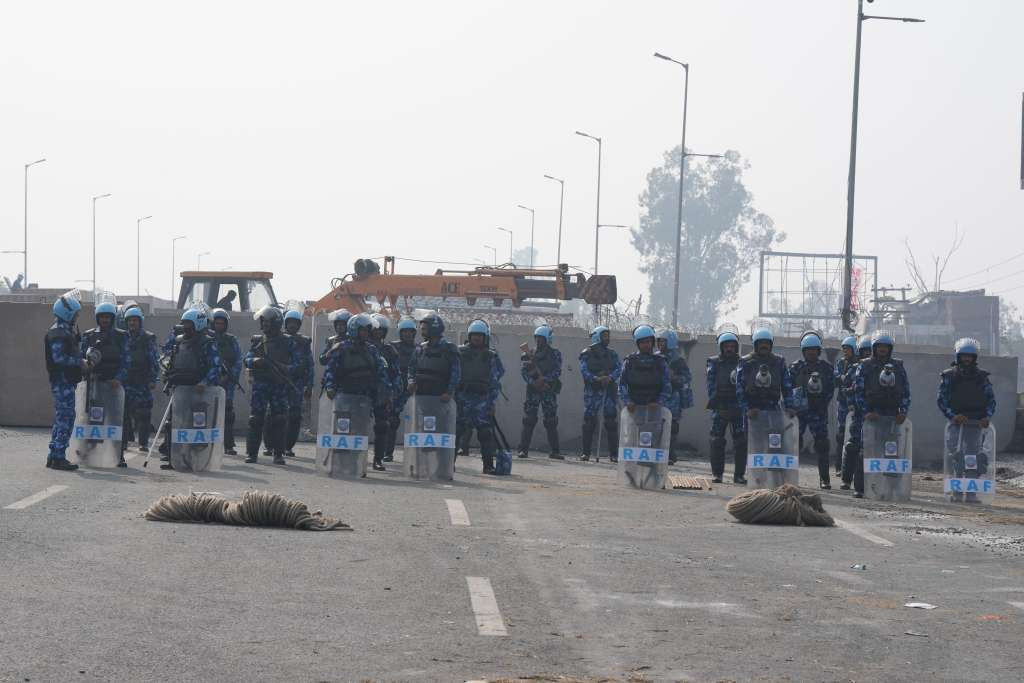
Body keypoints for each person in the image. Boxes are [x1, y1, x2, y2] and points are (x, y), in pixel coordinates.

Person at [322, 312, 391, 470]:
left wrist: (386, 393)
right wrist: (330, 387)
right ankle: (339, 461)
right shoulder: (341, 348)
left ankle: (366, 462)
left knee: (365, 429)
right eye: (363, 330)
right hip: (345, 394)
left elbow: (381, 372)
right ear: (354, 329)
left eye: (367, 330)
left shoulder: (372, 349)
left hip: (364, 396)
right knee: (343, 429)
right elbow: (330, 370)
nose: (366, 333)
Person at [850, 330, 911, 498]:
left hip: (892, 417)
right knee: (866, 451)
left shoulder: (898, 366)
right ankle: (861, 488)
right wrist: (866, 412)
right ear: (874, 347)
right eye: (880, 346)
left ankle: (892, 488)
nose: (883, 349)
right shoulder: (865, 365)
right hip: (872, 416)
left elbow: (905, 392)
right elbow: (858, 392)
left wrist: (903, 412)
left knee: (892, 452)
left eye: (886, 346)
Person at [160, 308, 221, 470]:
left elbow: (215, 367)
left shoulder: (207, 343)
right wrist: (168, 375)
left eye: (189, 323)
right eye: (184, 323)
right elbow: (168, 360)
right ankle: (173, 458)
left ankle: (196, 458)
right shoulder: (178, 341)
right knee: (173, 424)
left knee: (196, 425)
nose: (185, 327)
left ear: (198, 324)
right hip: (180, 389)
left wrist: (205, 382)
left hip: (199, 391)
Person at [939, 338, 996, 502]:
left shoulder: (982, 377)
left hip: (976, 424)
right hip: (956, 424)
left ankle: (971, 493)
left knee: (974, 459)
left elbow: (991, 400)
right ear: (958, 357)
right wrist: (953, 416)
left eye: (970, 356)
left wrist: (986, 417)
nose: (967, 359)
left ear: (974, 358)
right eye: (964, 356)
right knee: (956, 457)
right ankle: (956, 493)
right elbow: (942, 400)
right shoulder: (949, 376)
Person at [736, 328, 796, 483]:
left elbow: (787, 386)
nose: (764, 346)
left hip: (773, 409)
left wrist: (790, 407)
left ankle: (775, 477)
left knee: (775, 443)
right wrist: (747, 409)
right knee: (752, 444)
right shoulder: (745, 362)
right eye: (761, 343)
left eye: (766, 343)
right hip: (753, 410)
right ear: (755, 345)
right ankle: (754, 477)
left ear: (771, 345)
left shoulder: (779, 361)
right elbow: (739, 388)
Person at [244, 306, 300, 465]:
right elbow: (247, 359)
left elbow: (298, 365)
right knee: (255, 419)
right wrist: (256, 361)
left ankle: (278, 454)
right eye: (263, 322)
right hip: (261, 385)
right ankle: (251, 454)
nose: (264, 325)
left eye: (267, 322)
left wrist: (283, 368)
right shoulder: (258, 341)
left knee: (279, 419)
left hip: (279, 385)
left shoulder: (288, 342)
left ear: (275, 323)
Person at [80, 299, 130, 466]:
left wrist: (119, 378)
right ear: (97, 318)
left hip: (113, 385)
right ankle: (87, 451)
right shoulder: (89, 335)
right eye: (102, 317)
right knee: (91, 419)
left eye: (108, 317)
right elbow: (82, 359)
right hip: (93, 385)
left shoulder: (122, 336)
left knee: (115, 420)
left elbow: (126, 361)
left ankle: (118, 454)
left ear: (112, 318)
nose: (105, 320)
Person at [44, 292, 90, 470]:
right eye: (76, 314)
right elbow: (59, 359)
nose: (77, 317)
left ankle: (54, 455)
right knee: (66, 418)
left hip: (66, 381)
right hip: (62, 382)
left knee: (62, 417)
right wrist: (80, 362)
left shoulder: (66, 331)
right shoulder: (58, 332)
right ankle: (58, 457)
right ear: (67, 313)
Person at [453, 320, 503, 473]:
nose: (476, 338)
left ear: (485, 337)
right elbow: (453, 374)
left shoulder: (491, 356)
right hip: (462, 399)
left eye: (480, 336)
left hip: (483, 400)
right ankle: (448, 464)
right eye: (474, 335)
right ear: (469, 336)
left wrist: (491, 402)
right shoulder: (459, 352)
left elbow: (495, 379)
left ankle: (488, 466)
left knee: (485, 433)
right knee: (456, 431)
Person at [790, 332, 836, 489]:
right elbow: (788, 387)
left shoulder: (826, 368)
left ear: (819, 351)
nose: (811, 352)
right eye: (808, 350)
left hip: (818, 411)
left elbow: (830, 388)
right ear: (804, 351)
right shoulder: (796, 367)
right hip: (799, 412)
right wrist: (792, 406)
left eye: (814, 350)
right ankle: (789, 476)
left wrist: (821, 403)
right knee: (793, 443)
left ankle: (825, 480)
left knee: (822, 445)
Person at [517, 325, 563, 459]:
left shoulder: (555, 354)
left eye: (542, 338)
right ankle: (523, 450)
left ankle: (555, 451)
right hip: (533, 391)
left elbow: (557, 370)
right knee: (529, 420)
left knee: (551, 421)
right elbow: (524, 372)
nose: (538, 341)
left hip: (548, 390)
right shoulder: (528, 353)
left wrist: (545, 380)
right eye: (537, 338)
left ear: (548, 339)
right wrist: (534, 383)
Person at [706, 331, 746, 484]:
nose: (729, 349)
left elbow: (745, 384)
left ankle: (739, 475)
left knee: (741, 442)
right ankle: (717, 474)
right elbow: (711, 386)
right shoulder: (713, 362)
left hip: (738, 406)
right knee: (716, 441)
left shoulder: (742, 362)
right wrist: (718, 405)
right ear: (721, 347)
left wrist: (742, 405)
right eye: (726, 346)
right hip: (720, 406)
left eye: (732, 346)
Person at [579, 325, 621, 462]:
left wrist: (610, 378)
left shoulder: (612, 354)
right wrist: (596, 379)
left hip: (608, 391)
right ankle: (585, 453)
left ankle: (614, 454)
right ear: (597, 337)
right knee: (589, 422)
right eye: (604, 336)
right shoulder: (586, 353)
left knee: (611, 422)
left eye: (608, 336)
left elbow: (619, 368)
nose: (607, 339)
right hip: (593, 391)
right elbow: (584, 370)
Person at [122, 307, 159, 457]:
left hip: (142, 381)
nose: (132, 323)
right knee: (124, 413)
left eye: (135, 320)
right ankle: (124, 441)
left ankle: (143, 443)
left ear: (140, 322)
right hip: (126, 381)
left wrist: (152, 379)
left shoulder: (148, 338)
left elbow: (153, 360)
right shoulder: (122, 337)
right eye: (130, 320)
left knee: (143, 413)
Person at [619, 326, 672, 423]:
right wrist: (628, 401)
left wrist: (658, 402)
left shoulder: (660, 362)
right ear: (638, 344)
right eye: (642, 342)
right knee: (634, 432)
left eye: (648, 342)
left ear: (652, 342)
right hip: (634, 409)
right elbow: (622, 385)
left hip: (654, 410)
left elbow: (667, 386)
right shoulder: (630, 362)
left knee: (654, 432)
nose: (646, 345)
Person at [656, 328, 693, 465]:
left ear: (670, 342)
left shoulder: (678, 360)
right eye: (659, 341)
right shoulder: (655, 357)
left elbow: (687, 378)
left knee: (672, 427)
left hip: (672, 397)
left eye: (663, 341)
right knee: (656, 425)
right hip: (657, 395)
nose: (660, 344)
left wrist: (674, 377)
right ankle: (657, 453)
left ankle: (670, 454)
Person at [370, 313, 403, 462]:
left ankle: (380, 457)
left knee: (383, 425)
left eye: (380, 330)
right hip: (363, 391)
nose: (377, 333)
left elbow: (396, 372)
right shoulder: (362, 347)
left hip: (382, 393)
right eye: (374, 329)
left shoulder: (389, 350)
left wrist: (394, 392)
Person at [282, 309, 315, 457]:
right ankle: (272, 445)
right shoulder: (278, 338)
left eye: (295, 323)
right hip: (280, 382)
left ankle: (288, 446)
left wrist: (309, 385)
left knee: (295, 416)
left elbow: (310, 365)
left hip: (297, 384)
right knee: (276, 415)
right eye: (290, 323)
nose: (292, 326)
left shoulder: (304, 342)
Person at [210, 308, 242, 455]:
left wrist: (229, 377)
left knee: (227, 415)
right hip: (210, 382)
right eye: (217, 323)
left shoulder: (231, 340)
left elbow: (238, 361)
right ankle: (209, 445)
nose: (219, 326)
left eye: (222, 323)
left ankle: (228, 445)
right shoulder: (207, 339)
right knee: (209, 413)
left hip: (227, 383)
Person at [387, 317, 418, 460]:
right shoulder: (392, 347)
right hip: (397, 389)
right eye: (404, 332)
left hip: (414, 389)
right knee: (392, 421)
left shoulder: (419, 349)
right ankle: (388, 453)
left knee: (418, 422)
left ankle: (417, 455)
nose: (407, 334)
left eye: (410, 332)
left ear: (414, 333)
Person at [833, 335, 858, 475]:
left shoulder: (860, 364)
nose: (845, 352)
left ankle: (854, 467)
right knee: (841, 434)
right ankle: (839, 466)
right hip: (843, 403)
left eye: (847, 349)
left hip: (857, 403)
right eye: (843, 349)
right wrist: (842, 377)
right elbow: (835, 377)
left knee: (856, 435)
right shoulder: (841, 363)